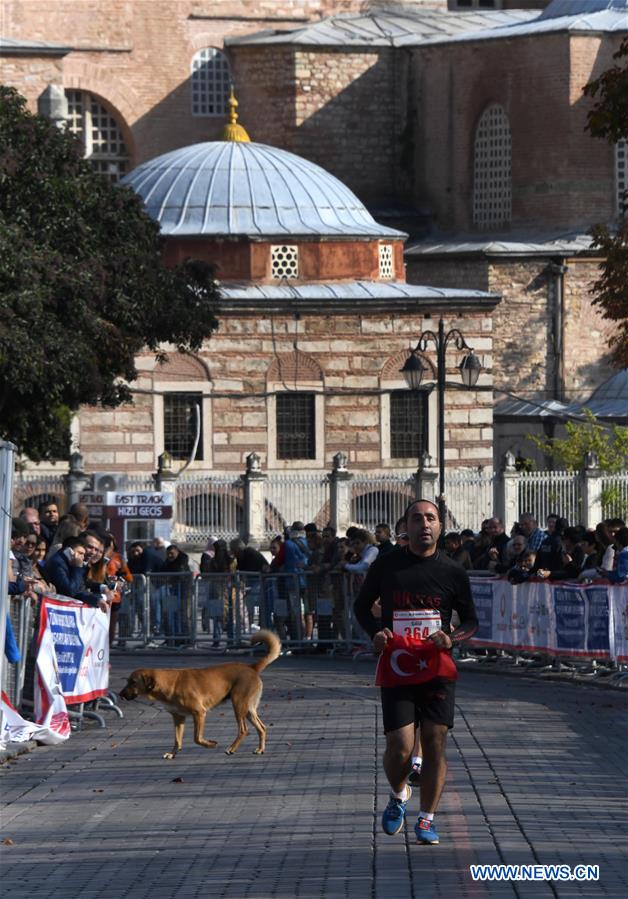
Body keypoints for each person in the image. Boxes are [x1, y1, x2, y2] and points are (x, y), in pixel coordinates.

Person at [354, 499, 478, 846]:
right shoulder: (387, 565)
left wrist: (451, 637)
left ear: (440, 527)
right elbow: (361, 606)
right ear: (405, 527)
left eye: (431, 518)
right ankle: (399, 794)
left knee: (436, 742)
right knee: (400, 748)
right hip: (397, 666)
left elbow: (471, 620)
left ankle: (427, 819)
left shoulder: (453, 571)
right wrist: (375, 634)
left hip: (437, 668)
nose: (424, 524)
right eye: (416, 518)